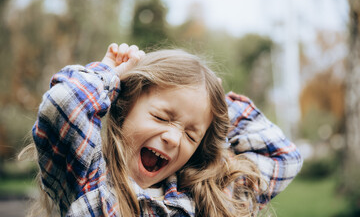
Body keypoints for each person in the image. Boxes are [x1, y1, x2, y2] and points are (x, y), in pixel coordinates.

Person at [27, 43, 302, 217]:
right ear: (124, 109)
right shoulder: (88, 178)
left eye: (192, 134)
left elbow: (283, 157)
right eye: (161, 117)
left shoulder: (207, 199)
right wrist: (109, 74)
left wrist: (218, 104)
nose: (172, 137)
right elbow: (63, 104)